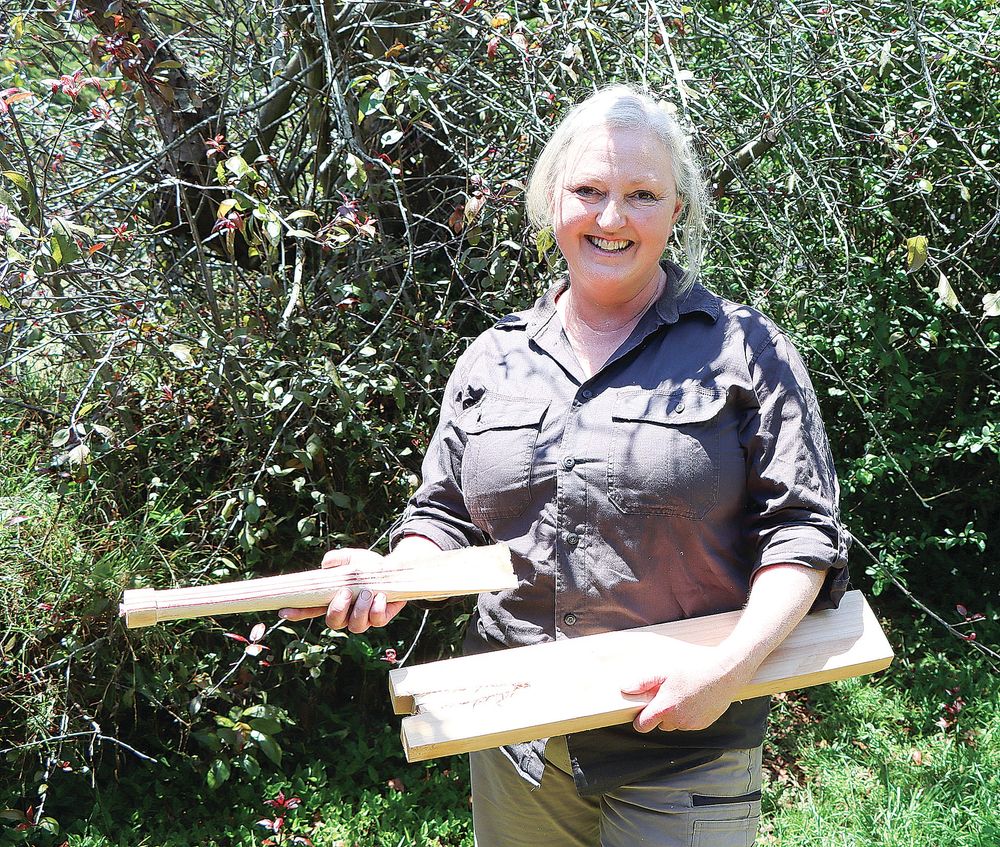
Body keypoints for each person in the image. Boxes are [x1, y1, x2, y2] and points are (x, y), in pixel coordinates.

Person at [281, 84, 849, 846]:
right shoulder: (494, 359)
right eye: (588, 190)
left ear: (675, 210)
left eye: (641, 194)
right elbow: (445, 515)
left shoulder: (746, 350)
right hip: (520, 744)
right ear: (553, 201)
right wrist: (390, 576)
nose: (611, 218)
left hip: (684, 736)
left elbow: (803, 533)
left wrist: (728, 672)